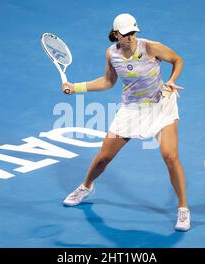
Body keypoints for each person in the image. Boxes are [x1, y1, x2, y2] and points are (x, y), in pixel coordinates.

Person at [61, 13, 190, 231]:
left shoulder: (150, 47)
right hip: (131, 111)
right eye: (126, 34)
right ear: (116, 35)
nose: (130, 37)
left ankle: (183, 209)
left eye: (133, 32)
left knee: (170, 156)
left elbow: (178, 60)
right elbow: (108, 81)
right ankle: (86, 187)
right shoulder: (112, 54)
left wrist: (171, 81)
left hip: (161, 104)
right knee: (103, 158)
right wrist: (76, 87)